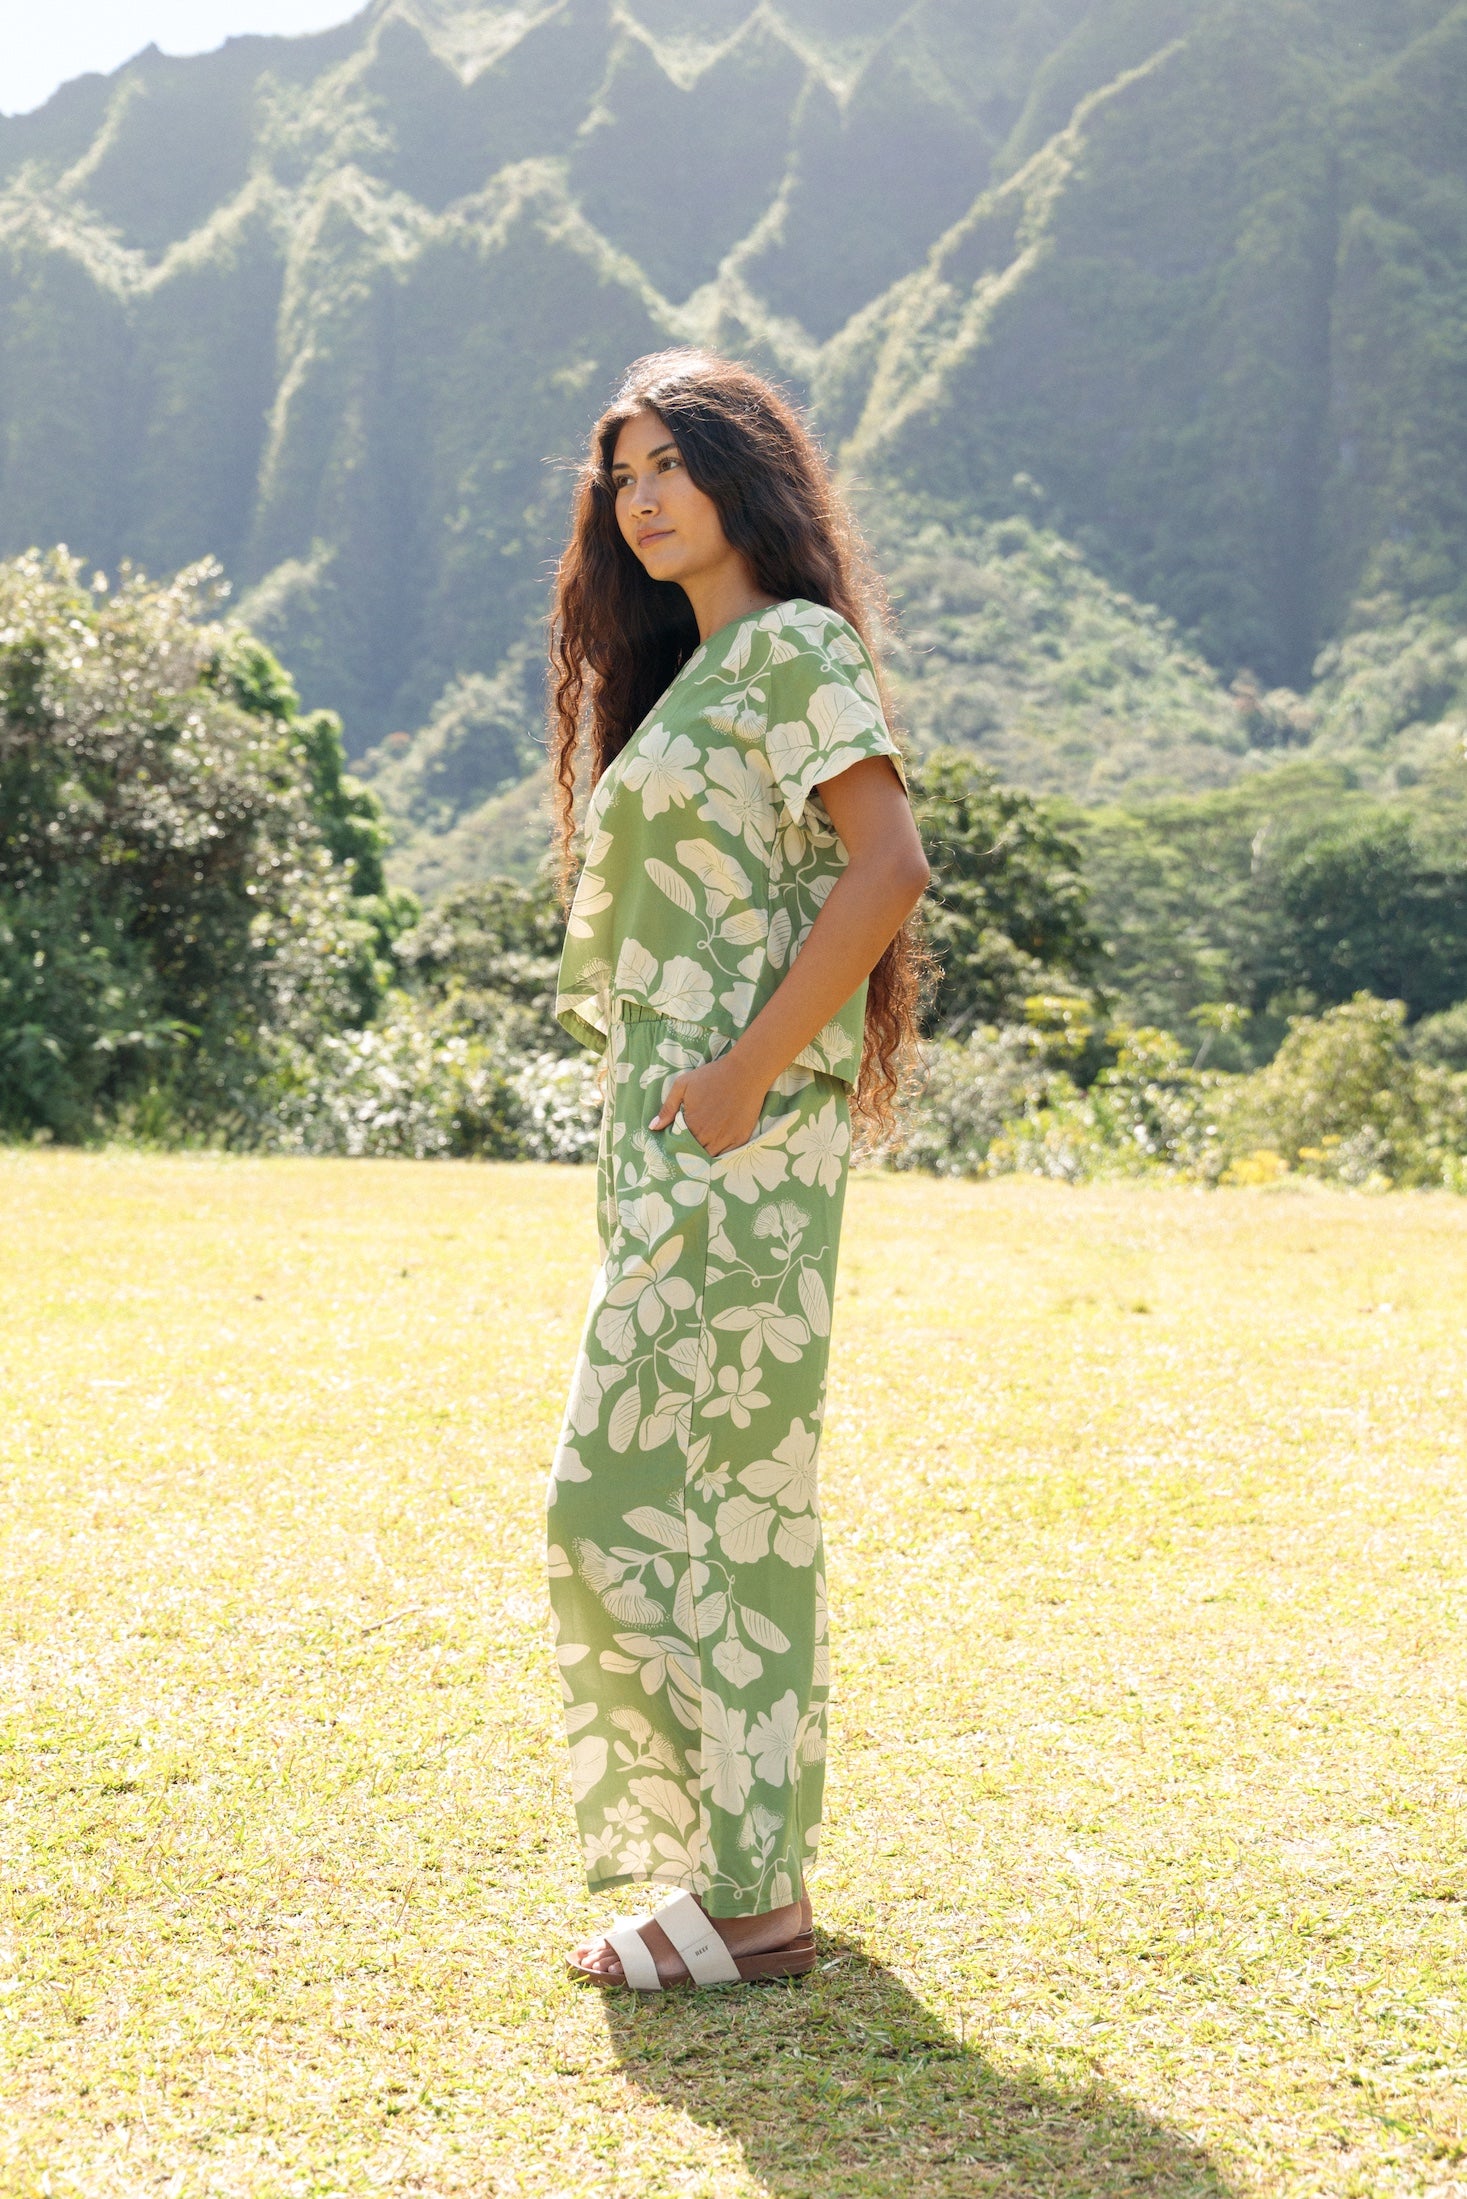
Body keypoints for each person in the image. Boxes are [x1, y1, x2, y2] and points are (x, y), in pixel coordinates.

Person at [545, 348, 930, 1991]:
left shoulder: (794, 653)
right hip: (679, 1144)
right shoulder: (698, 675)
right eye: (618, 475)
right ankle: (739, 1879)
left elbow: (888, 865)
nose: (638, 499)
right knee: (681, 1500)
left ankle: (756, 1893)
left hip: (742, 1141)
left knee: (679, 1496)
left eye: (666, 466)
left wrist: (739, 1083)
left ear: (742, 474)